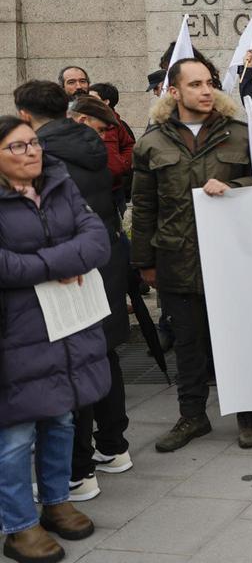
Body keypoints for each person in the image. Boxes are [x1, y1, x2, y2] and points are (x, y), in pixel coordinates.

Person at [131, 58, 252, 453]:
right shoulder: (151, 143)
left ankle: (248, 416)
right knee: (188, 344)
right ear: (174, 92)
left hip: (232, 261)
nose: (206, 91)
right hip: (176, 259)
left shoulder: (240, 135)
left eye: (210, 83)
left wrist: (234, 184)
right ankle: (192, 416)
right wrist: (145, 263)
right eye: (195, 85)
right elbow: (143, 206)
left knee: (237, 340)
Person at [13, 82, 131, 502]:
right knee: (102, 354)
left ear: (25, 116)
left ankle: (77, 473)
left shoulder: (50, 161)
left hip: (71, 276)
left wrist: (57, 262)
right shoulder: (92, 144)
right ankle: (114, 448)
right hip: (100, 268)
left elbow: (66, 226)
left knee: (70, 369)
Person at [0, 115, 110, 563]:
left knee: (62, 419)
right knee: (15, 433)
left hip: (66, 324)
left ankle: (56, 502)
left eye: (33, 144)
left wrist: (51, 262)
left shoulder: (61, 184)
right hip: (16, 330)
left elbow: (97, 240)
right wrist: (57, 265)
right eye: (18, 147)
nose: (32, 153)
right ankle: (19, 526)